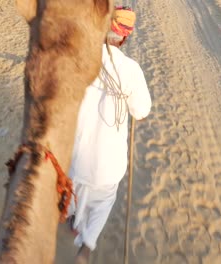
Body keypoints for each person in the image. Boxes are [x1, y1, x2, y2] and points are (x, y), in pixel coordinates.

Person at [67, 6, 152, 263]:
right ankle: (86, 248)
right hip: (108, 166)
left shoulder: (82, 56)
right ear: (125, 37)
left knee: (73, 193)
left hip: (76, 157)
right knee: (102, 203)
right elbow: (142, 112)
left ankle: (73, 221)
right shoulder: (132, 70)